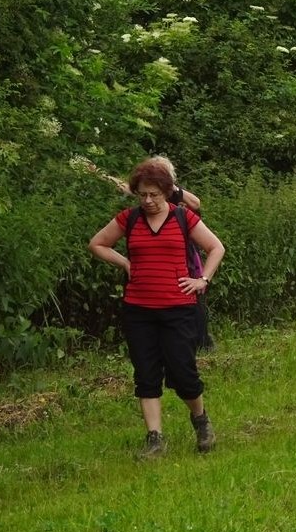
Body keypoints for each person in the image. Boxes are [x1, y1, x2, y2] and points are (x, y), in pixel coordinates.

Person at [88, 158, 225, 458]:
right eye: (142, 195)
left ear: (166, 192)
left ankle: (200, 420)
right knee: (146, 374)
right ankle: (154, 438)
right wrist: (125, 263)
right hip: (139, 310)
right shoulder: (129, 219)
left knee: (183, 372)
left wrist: (202, 279)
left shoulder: (183, 217)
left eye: (154, 194)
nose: (148, 200)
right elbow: (97, 244)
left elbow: (216, 247)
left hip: (179, 309)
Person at [89, 156, 214, 351]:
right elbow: (125, 187)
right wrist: (100, 174)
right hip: (147, 273)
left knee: (191, 297)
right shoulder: (139, 204)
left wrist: (203, 279)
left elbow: (196, 203)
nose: (148, 199)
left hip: (182, 251)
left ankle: (201, 341)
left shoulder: (175, 195)